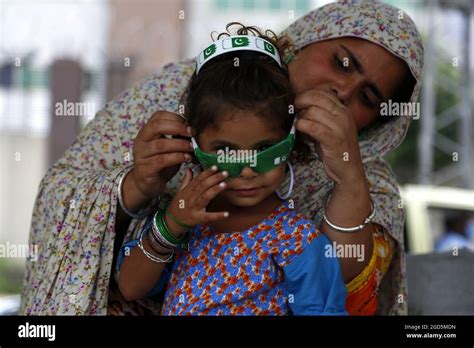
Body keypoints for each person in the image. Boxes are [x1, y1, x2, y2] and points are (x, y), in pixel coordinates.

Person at [20, 1, 423, 315]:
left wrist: (349, 178)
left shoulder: (370, 186)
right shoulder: (185, 92)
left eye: (368, 98)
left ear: (379, 124)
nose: (342, 91)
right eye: (342, 62)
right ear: (308, 37)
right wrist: (137, 186)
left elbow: (341, 290)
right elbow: (64, 199)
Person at [116, 30, 348, 315]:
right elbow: (130, 287)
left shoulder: (296, 240)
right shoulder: (184, 220)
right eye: (226, 152)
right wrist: (172, 225)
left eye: (265, 148)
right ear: (193, 144)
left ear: (292, 143)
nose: (248, 170)